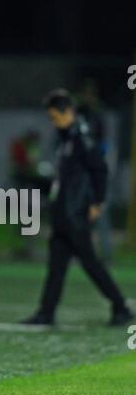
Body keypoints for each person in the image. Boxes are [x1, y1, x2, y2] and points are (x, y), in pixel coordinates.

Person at [21, 89, 133, 327]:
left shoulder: (82, 137)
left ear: (67, 112)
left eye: (55, 116)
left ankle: (121, 307)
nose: (53, 121)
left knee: (90, 263)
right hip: (64, 212)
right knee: (56, 266)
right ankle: (46, 312)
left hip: (75, 212)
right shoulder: (67, 138)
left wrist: (98, 202)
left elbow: (100, 170)